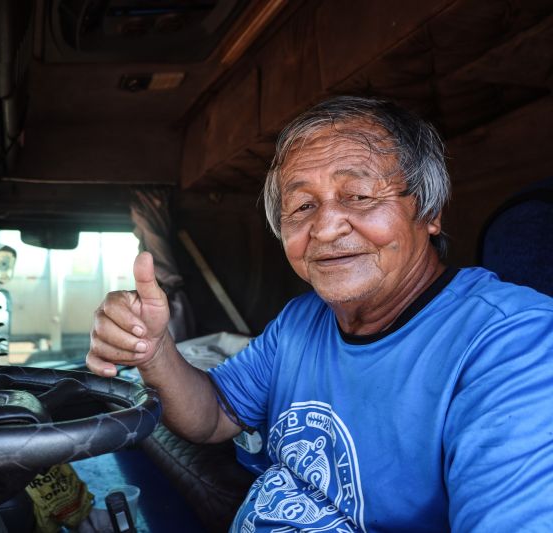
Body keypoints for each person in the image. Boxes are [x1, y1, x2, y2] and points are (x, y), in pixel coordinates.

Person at [86, 96, 553, 532]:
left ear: (429, 211)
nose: (326, 228)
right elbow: (211, 415)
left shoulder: (514, 343)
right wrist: (153, 349)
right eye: (303, 206)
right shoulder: (300, 321)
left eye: (359, 196)